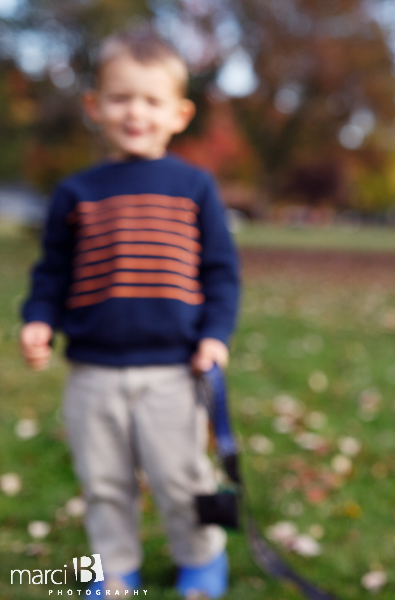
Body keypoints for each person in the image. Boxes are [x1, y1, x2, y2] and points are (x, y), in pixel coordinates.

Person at [19, 26, 239, 599]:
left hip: (173, 370)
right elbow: (51, 274)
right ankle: (112, 570)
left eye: (151, 100)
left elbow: (220, 273)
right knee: (105, 481)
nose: (135, 111)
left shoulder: (195, 187)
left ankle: (200, 557)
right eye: (120, 98)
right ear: (94, 107)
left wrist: (214, 335)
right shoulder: (76, 193)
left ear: (179, 113)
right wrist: (39, 318)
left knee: (180, 477)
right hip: (93, 371)